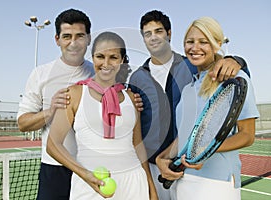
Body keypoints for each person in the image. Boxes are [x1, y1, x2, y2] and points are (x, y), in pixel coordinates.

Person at [128, 10, 250, 200]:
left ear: (169, 34)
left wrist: (238, 61)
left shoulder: (198, 65)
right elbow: (185, 131)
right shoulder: (137, 77)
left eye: (158, 31)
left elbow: (245, 129)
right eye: (147, 33)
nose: (153, 38)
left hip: (207, 175)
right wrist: (161, 158)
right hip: (161, 167)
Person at [156, 16, 259, 200]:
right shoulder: (188, 89)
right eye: (190, 42)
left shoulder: (235, 78)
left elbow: (247, 135)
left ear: (217, 44)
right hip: (184, 180)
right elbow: (187, 137)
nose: (195, 48)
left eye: (203, 42)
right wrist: (161, 159)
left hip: (217, 183)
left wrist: (203, 151)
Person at [46, 31, 158, 200]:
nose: (106, 63)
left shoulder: (131, 98)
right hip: (89, 184)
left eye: (113, 57)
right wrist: (85, 175)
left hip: (134, 184)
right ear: (93, 57)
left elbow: (138, 145)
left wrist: (151, 188)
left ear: (121, 60)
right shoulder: (74, 94)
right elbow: (53, 145)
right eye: (100, 56)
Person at [17, 8, 94, 200]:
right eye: (67, 36)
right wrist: (50, 111)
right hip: (53, 168)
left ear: (89, 38)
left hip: (91, 167)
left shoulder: (98, 74)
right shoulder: (41, 74)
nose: (73, 43)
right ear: (57, 39)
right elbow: (23, 124)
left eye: (80, 36)